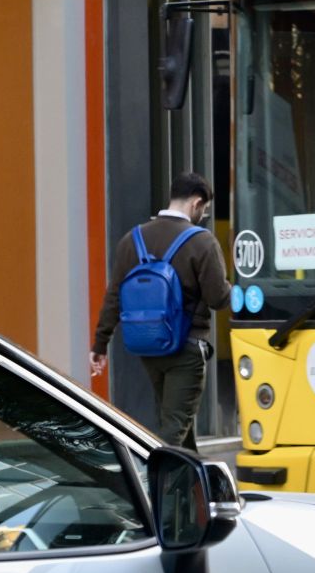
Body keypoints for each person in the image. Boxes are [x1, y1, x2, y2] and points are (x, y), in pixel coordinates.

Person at [91, 173, 229, 450]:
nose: (203, 215)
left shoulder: (132, 240)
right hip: (187, 349)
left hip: (148, 347)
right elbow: (218, 299)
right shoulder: (202, 242)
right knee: (173, 430)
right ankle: (149, 485)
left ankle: (192, 491)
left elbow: (114, 296)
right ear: (196, 203)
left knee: (176, 423)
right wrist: (233, 288)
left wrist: (100, 344)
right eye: (204, 209)